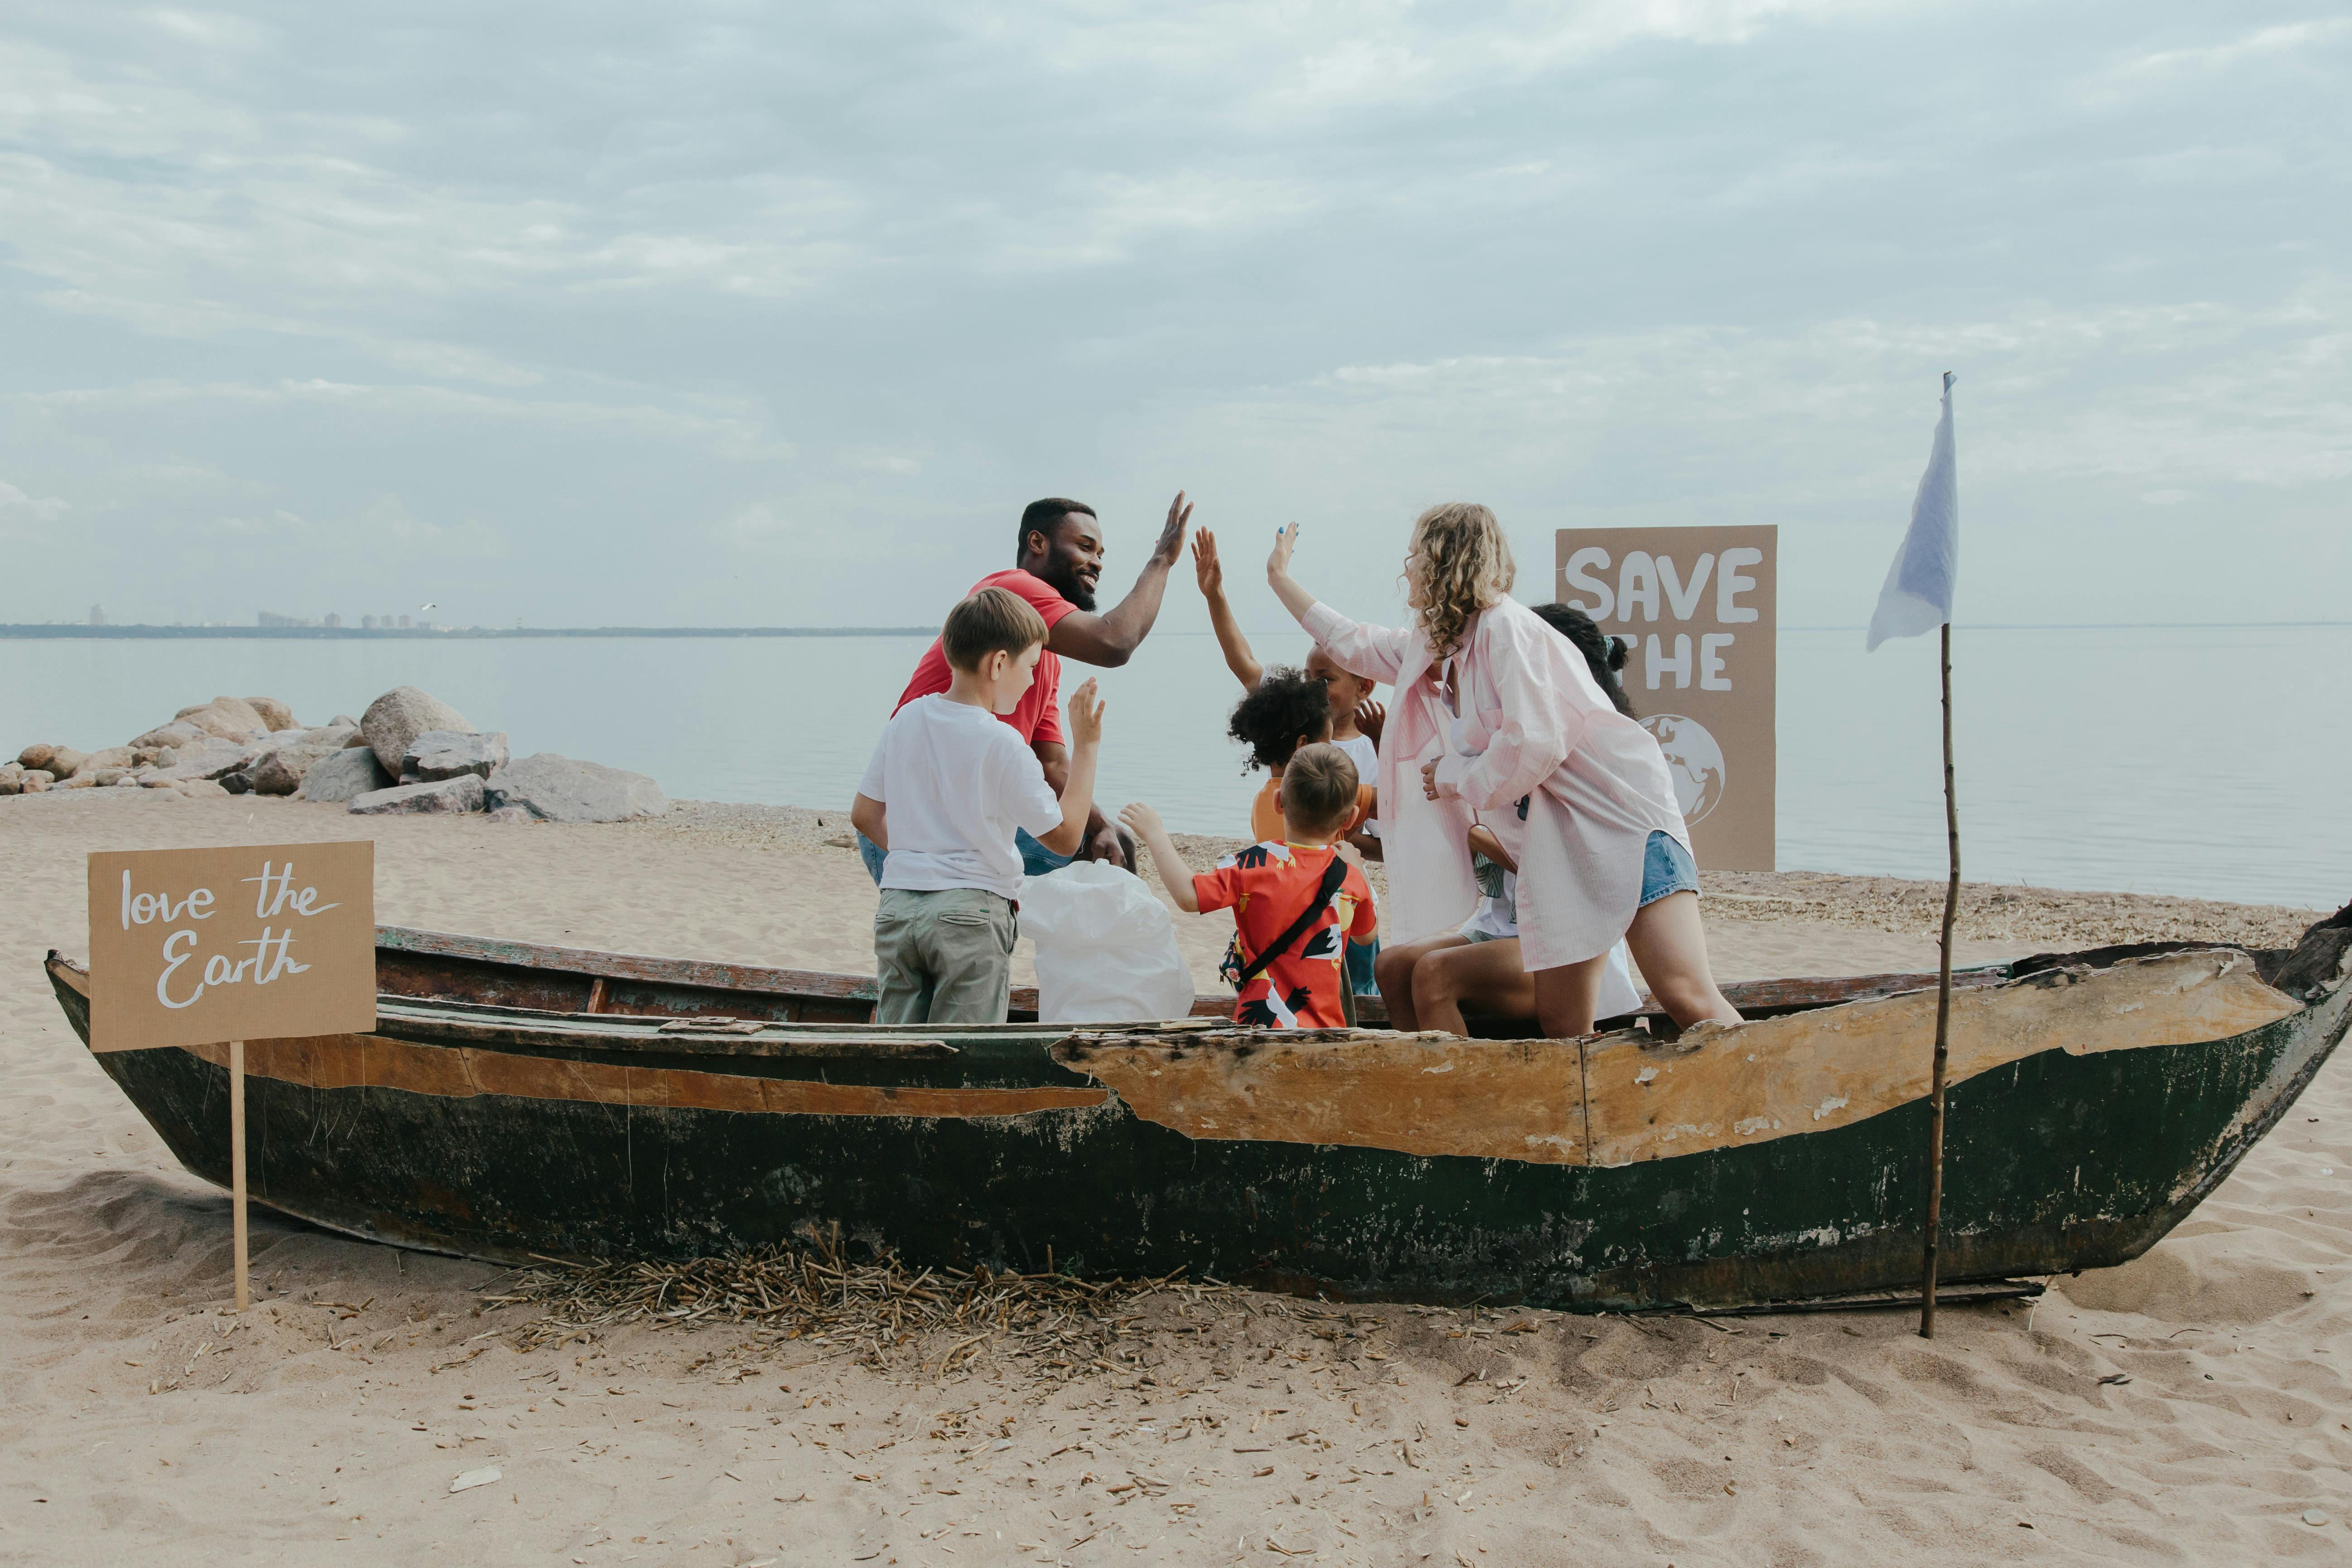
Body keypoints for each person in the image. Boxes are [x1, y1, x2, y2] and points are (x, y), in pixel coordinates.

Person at [1262, 508, 1742, 1038]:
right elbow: (1355, 642)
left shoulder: (1507, 630)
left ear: (1446, 562)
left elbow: (1533, 744)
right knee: (1562, 1025)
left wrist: (1451, 774)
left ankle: (1765, 1106)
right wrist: (1280, 579)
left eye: (1416, 557)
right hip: (1562, 852)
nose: (1407, 570)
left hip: (1624, 826)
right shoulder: (1443, 646)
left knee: (1685, 993)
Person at [860, 491, 1191, 883]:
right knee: (1086, 847)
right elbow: (1114, 642)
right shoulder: (1011, 592)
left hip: (956, 824)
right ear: (1038, 543)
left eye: (1101, 554)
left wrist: (1100, 824)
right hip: (912, 834)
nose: (1097, 563)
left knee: (1108, 841)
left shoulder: (1039, 659)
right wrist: (1162, 561)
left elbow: (1051, 763)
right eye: (1086, 547)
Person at [1374, 604, 1643, 1033]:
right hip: (1499, 927)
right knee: (1391, 965)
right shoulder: (1497, 744)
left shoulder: (1566, 754)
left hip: (1557, 941)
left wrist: (1481, 835)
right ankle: (1422, 1086)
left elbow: (1573, 864)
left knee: (1434, 974)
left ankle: (1458, 1093)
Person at [850, 588, 1106, 1024]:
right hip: (968, 917)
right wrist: (1086, 747)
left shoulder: (906, 719)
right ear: (998, 664)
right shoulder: (1003, 743)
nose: (1031, 681)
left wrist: (922, 854)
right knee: (961, 1059)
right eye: (1030, 666)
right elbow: (1064, 838)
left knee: (895, 1051)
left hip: (898, 909)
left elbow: (865, 814)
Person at [1194, 527, 1385, 991]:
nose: (1315, 688)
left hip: (1276, 933)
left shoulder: (1276, 789)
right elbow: (1400, 805)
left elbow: (1243, 663)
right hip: (1331, 924)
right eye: (1310, 679)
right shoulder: (1320, 780)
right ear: (1306, 741)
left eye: (1326, 680)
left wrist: (1215, 595)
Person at [1122, 743, 1377, 1030]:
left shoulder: (1252, 865)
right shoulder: (1350, 878)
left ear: (1278, 802)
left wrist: (1155, 834)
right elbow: (1366, 937)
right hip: (1325, 1033)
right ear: (1352, 817)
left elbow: (1189, 896)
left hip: (1258, 1030)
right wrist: (1361, 869)